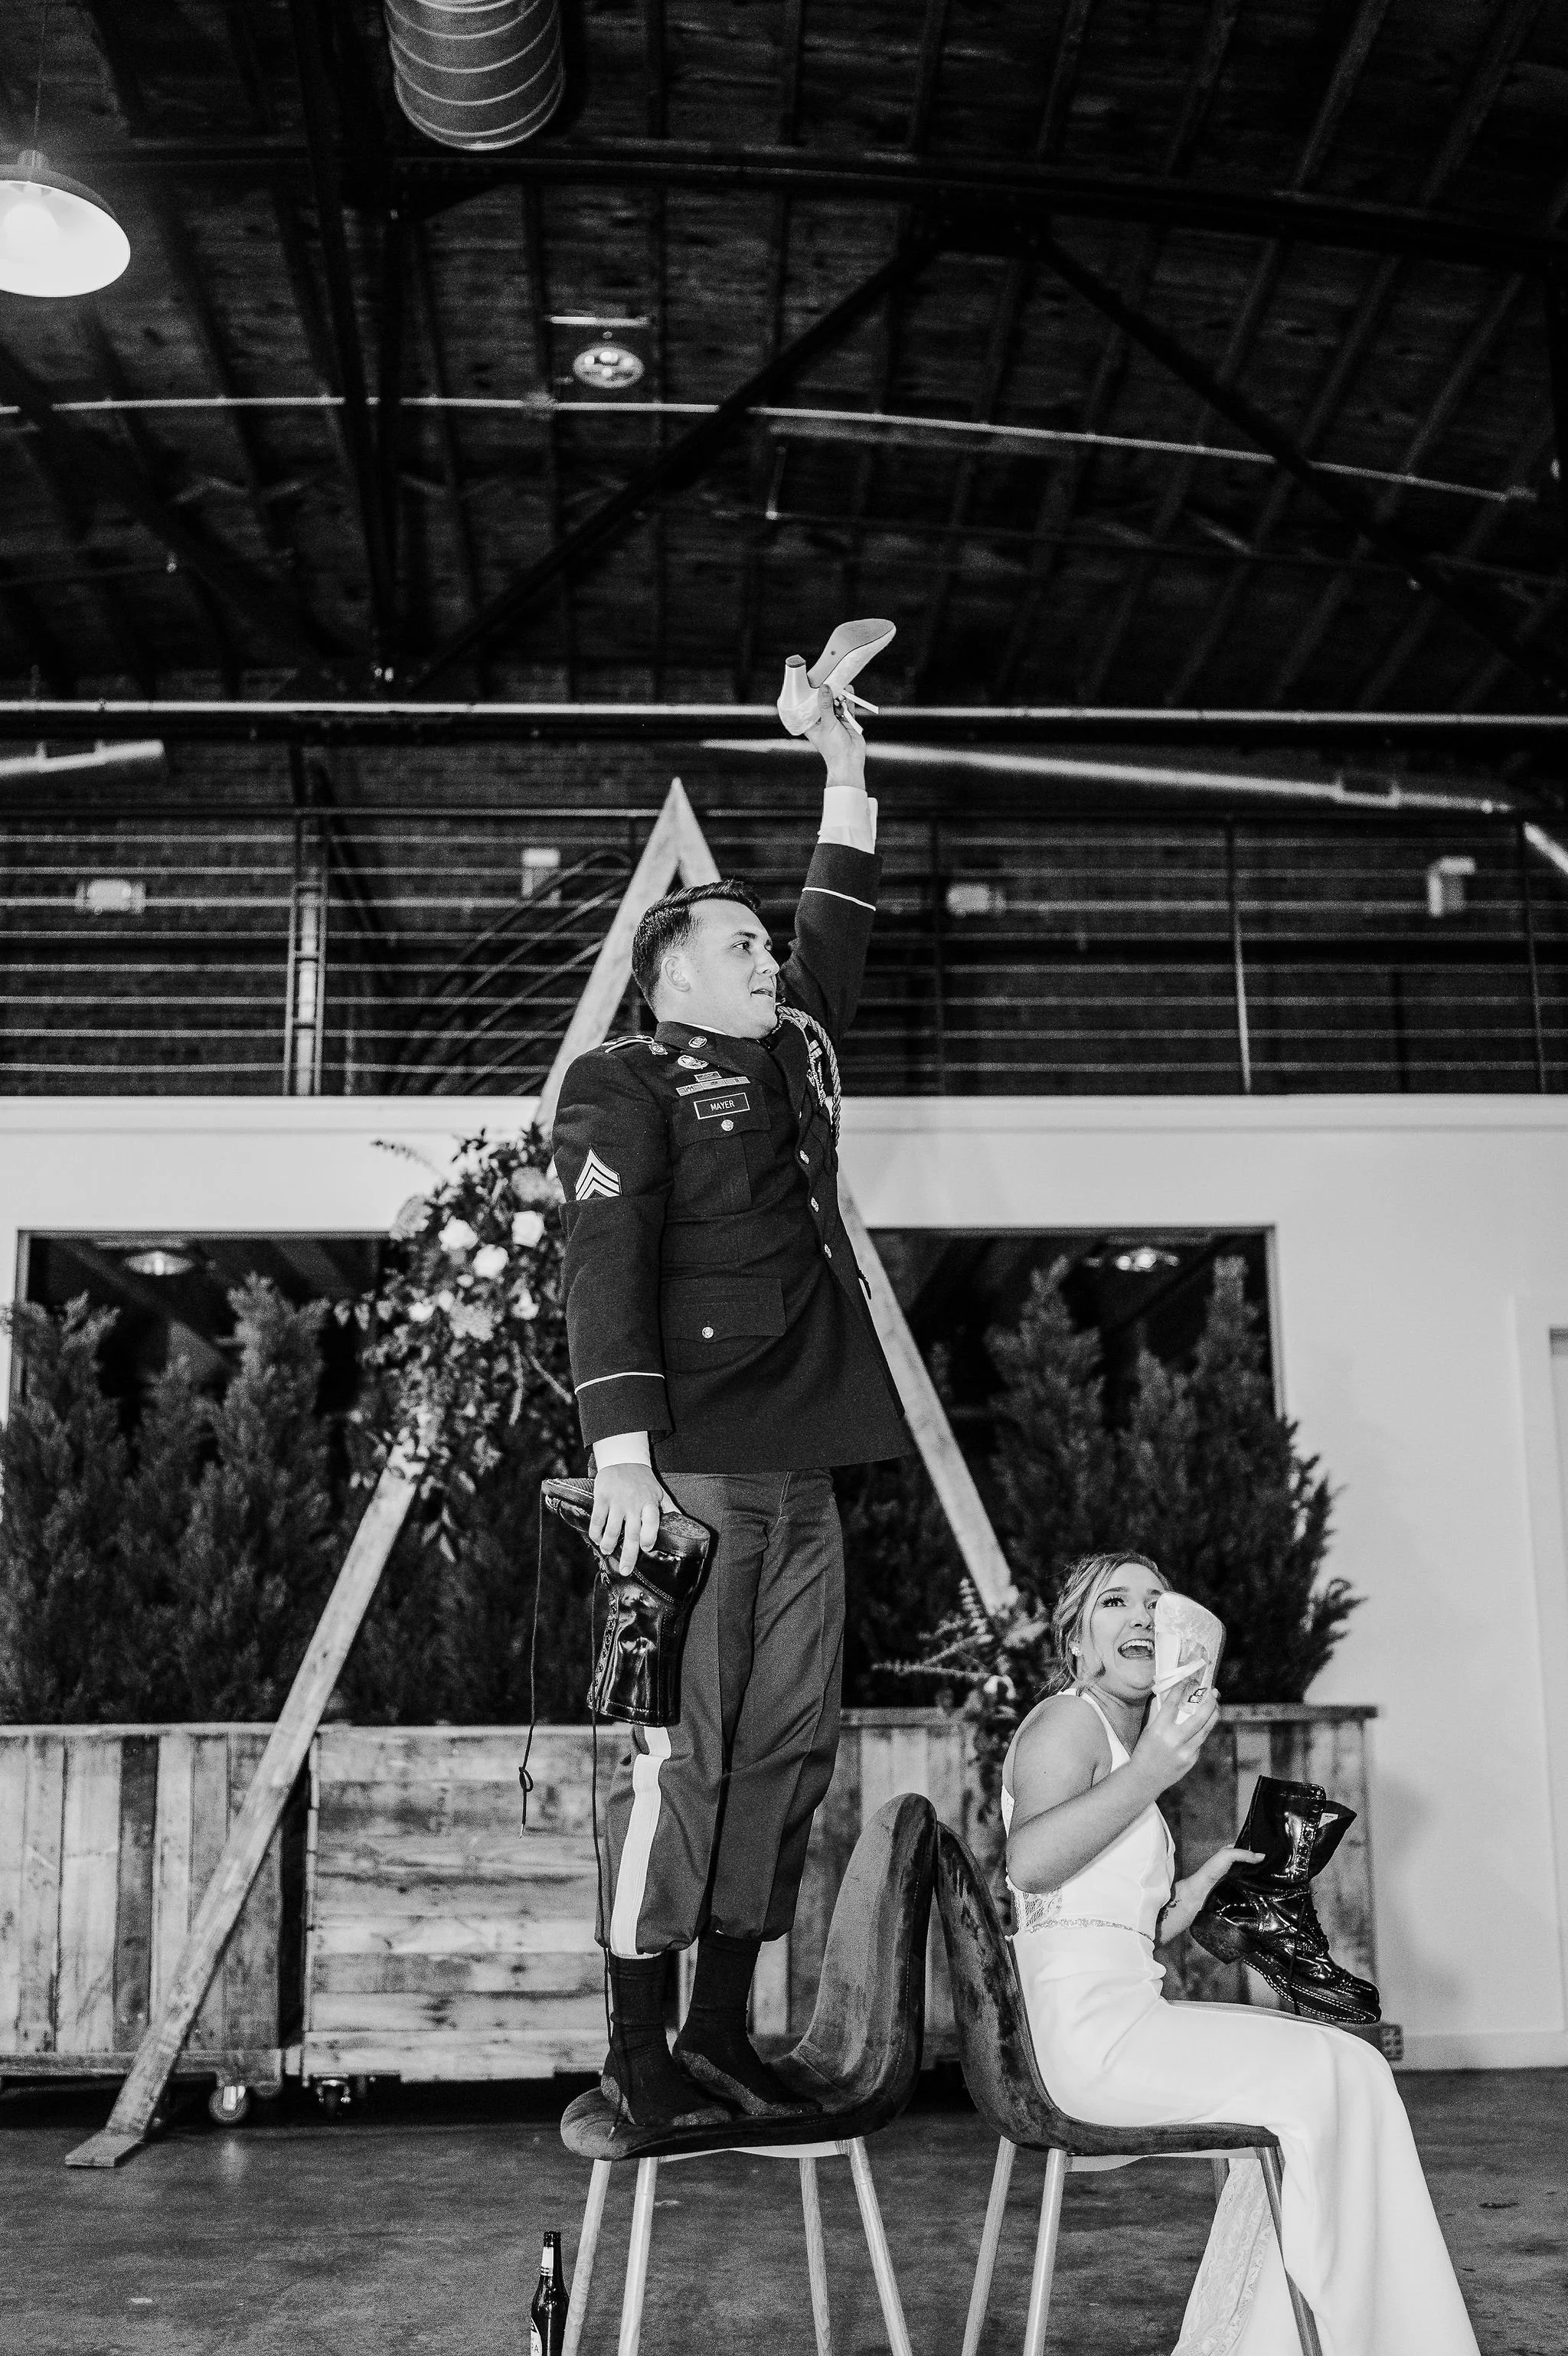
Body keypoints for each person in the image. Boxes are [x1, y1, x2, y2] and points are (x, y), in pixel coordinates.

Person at [551, 634, 910, 2130]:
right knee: (672, 1750)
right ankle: (635, 2049)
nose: (773, 959)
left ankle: (721, 2029)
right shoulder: (621, 1079)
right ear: (669, 974)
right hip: (685, 1465)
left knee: (785, 1744)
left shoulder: (797, 1049)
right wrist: (622, 1449)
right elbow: (600, 1259)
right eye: (743, 947)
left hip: (805, 1453)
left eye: (772, 948)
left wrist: (840, 761)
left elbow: (843, 909)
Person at [1003, 1550, 1480, 2356]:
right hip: (1087, 2040)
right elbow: (1028, 1864)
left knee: (1340, 2065)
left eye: (1158, 1605)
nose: (1142, 1617)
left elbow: (1109, 1923)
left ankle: (1279, 2337)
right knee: (1336, 2073)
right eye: (1114, 1602)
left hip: (1124, 2014)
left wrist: (1201, 1883)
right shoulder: (1066, 1721)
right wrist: (1153, 1768)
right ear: (1077, 1643)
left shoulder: (1121, 1744)